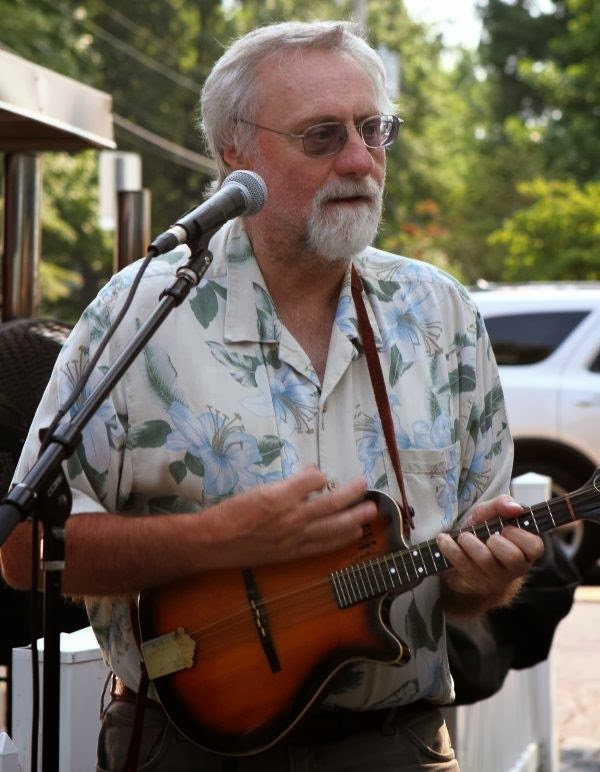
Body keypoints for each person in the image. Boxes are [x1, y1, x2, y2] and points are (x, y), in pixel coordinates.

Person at [0, 19, 544, 772]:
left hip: (399, 743)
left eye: (373, 129)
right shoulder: (140, 314)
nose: (360, 159)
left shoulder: (441, 316)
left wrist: (484, 580)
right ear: (236, 153)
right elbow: (24, 552)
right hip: (185, 747)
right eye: (322, 136)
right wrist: (217, 540)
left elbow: (460, 586)